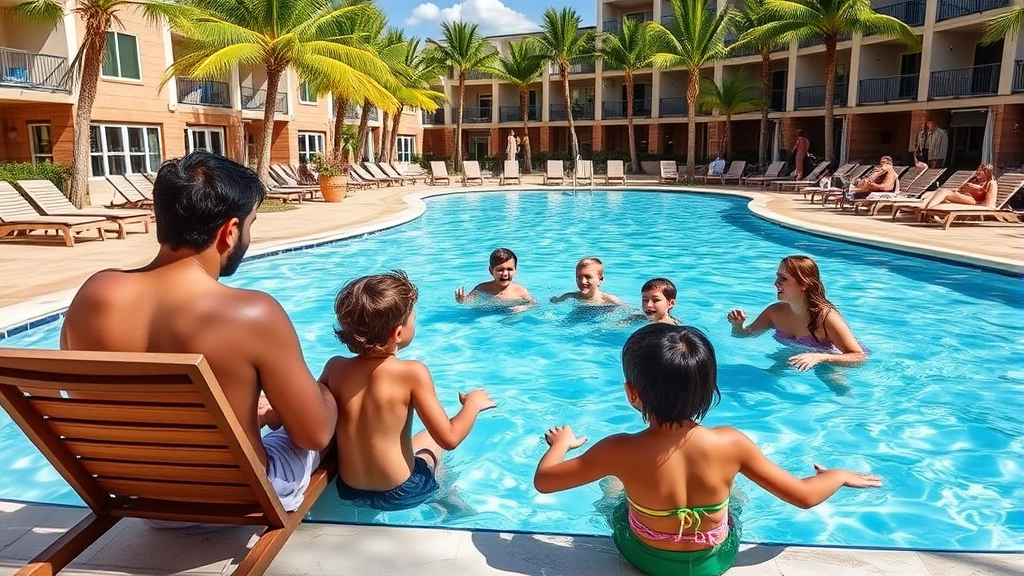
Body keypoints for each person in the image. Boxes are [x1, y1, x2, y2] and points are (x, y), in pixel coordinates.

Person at [60, 151, 337, 513]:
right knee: (334, 397)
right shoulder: (253, 313)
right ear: (230, 231)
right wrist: (326, 394)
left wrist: (234, 409)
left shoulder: (93, 294)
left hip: (139, 495)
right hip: (237, 497)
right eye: (250, 225)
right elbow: (314, 434)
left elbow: (82, 395)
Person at [534, 324, 881, 576]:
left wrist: (561, 443)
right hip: (713, 562)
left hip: (646, 558)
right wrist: (839, 475)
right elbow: (804, 496)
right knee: (736, 494)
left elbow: (545, 481)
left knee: (613, 492)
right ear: (707, 390)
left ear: (632, 393)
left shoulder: (618, 449)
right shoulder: (731, 443)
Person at [325, 271, 496, 511]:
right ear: (397, 333)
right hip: (403, 492)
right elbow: (449, 438)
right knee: (432, 449)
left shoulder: (334, 368)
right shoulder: (412, 372)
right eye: (412, 320)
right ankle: (450, 502)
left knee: (422, 438)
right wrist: (472, 405)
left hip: (349, 489)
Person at [726, 256, 866, 371]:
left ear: (804, 284)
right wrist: (737, 325)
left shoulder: (826, 317)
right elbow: (742, 335)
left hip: (828, 360)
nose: (776, 283)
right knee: (765, 377)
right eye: (777, 277)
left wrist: (820, 357)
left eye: (784, 278)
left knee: (836, 386)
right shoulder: (775, 312)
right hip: (792, 355)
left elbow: (859, 357)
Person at [455, 247, 536, 311]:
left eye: (510, 269)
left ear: (515, 270)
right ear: (491, 271)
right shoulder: (481, 289)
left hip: (511, 312)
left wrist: (523, 308)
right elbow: (468, 302)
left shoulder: (520, 290)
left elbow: (534, 304)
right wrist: (461, 300)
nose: (505, 274)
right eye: (500, 270)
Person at [921, 163, 997, 211]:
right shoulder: (973, 179)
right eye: (977, 170)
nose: (978, 172)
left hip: (973, 200)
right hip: (963, 196)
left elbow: (990, 203)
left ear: (987, 172)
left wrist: (980, 206)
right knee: (938, 191)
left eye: (981, 171)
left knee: (944, 192)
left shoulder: (991, 183)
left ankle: (928, 209)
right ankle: (923, 207)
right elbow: (961, 188)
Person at [550, 257, 625, 306]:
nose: (582, 281)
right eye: (578, 277)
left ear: (600, 279)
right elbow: (554, 301)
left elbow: (628, 310)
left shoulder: (608, 299)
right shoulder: (571, 296)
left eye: (588, 277)